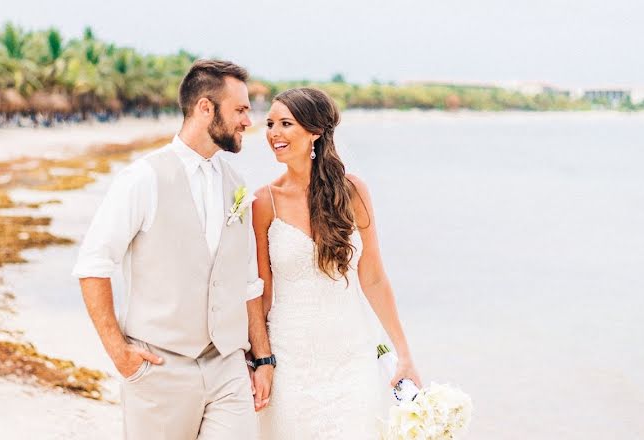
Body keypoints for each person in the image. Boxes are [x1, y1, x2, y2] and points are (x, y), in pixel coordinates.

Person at [72, 59, 274, 440]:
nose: (249, 121)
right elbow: (93, 264)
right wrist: (120, 353)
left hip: (228, 369)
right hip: (160, 367)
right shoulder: (143, 178)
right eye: (240, 110)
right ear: (205, 108)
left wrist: (261, 357)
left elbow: (247, 283)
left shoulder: (237, 184)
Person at [254, 87, 420, 439]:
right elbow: (260, 292)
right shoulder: (263, 202)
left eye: (286, 123)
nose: (273, 134)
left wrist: (404, 354)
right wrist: (258, 360)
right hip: (290, 361)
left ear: (314, 131)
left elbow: (373, 277)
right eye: (270, 124)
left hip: (351, 356)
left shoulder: (353, 191)